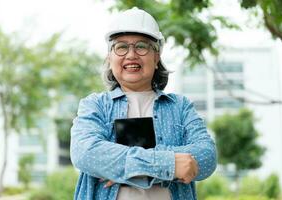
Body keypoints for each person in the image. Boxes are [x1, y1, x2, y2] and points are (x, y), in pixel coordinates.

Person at [70, 7, 217, 200]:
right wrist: (170, 165)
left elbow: (206, 157)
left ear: (156, 57)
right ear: (110, 57)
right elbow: (86, 153)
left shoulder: (180, 107)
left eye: (141, 46)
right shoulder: (95, 105)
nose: (131, 55)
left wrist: (122, 168)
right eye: (121, 47)